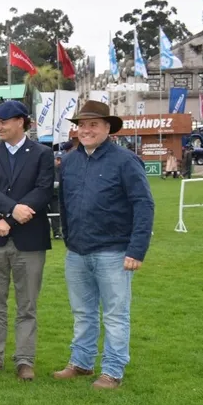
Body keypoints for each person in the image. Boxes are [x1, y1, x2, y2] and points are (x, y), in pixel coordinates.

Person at [53, 101, 154, 389]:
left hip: (115, 251)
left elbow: (143, 204)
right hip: (77, 252)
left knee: (115, 314)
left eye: (93, 124)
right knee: (82, 312)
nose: (86, 129)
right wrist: (68, 237)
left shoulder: (125, 161)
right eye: (82, 124)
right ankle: (82, 363)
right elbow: (64, 204)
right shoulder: (70, 161)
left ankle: (112, 370)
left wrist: (137, 249)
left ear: (108, 127)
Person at [0, 100, 54, 381]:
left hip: (29, 240)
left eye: (3, 122)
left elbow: (43, 191)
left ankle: (24, 360)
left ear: (21, 121)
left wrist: (10, 219)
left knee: (27, 305)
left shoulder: (42, 153)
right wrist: (10, 209)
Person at [50, 153, 63, 239]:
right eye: (57, 159)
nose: (59, 162)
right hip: (45, 195)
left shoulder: (61, 169)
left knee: (56, 214)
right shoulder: (48, 168)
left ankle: (57, 232)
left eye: (60, 160)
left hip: (56, 195)